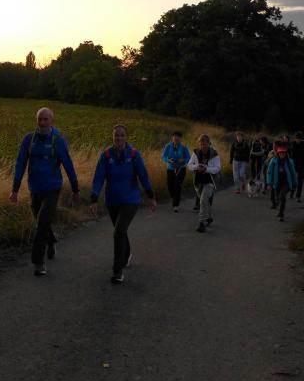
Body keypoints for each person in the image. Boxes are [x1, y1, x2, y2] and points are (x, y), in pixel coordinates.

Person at [10, 107, 79, 276]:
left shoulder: (58, 140)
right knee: (40, 220)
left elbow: (68, 164)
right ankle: (52, 240)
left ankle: (38, 263)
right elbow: (20, 164)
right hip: (35, 188)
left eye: (45, 119)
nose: (42, 122)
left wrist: (75, 188)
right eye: (40, 119)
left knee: (42, 223)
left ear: (51, 121)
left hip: (52, 188)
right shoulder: (28, 139)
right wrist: (15, 189)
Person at [90, 124, 157, 284]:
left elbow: (143, 175)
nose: (119, 138)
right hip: (112, 201)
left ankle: (117, 271)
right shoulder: (106, 155)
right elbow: (99, 177)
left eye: (122, 135)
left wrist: (151, 196)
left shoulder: (133, 154)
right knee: (120, 231)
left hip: (130, 200)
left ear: (126, 137)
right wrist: (94, 198)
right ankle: (126, 256)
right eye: (116, 135)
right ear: (112, 137)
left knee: (118, 232)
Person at [187, 134, 221, 233]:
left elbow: (218, 168)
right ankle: (209, 218)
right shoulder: (196, 153)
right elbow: (189, 165)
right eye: (201, 144)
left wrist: (206, 169)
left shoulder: (214, 154)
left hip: (210, 181)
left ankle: (201, 223)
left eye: (205, 144)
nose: (203, 146)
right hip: (198, 181)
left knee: (202, 201)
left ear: (209, 144)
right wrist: (197, 166)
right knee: (205, 201)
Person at [266, 144, 298, 222]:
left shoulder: (289, 161)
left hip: (286, 183)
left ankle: (281, 214)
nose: (282, 154)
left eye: (283, 153)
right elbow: (269, 172)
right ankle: (278, 204)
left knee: (282, 196)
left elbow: (293, 173)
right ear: (278, 153)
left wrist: (294, 183)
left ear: (285, 153)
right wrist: (269, 183)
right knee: (278, 198)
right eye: (280, 153)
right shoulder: (274, 161)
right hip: (277, 183)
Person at [161, 131, 191, 212]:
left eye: (178, 137)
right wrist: (168, 160)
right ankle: (174, 197)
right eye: (175, 136)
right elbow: (163, 157)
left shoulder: (184, 147)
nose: (176, 138)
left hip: (181, 169)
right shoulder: (168, 146)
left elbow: (189, 158)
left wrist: (183, 160)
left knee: (177, 185)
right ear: (172, 137)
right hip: (170, 169)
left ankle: (175, 205)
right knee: (170, 187)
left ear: (181, 139)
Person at [289, 131, 304, 202]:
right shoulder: (292, 145)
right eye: (297, 138)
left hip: (301, 165)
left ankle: (298, 196)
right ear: (295, 138)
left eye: (299, 138)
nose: (298, 140)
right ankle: (292, 192)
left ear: (301, 139)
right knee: (293, 180)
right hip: (293, 165)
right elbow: (288, 155)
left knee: (300, 181)